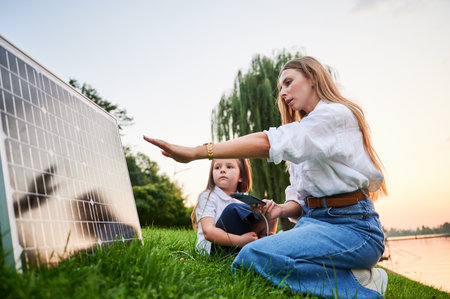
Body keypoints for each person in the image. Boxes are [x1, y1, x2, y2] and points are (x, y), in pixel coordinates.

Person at [144, 56, 388, 298]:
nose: (282, 92)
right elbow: (302, 200)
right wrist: (280, 210)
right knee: (253, 260)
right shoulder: (306, 134)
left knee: (251, 258)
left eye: (288, 82)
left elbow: (269, 142)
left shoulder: (335, 115)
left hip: (353, 227)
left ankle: (364, 291)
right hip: (314, 222)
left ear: (312, 77)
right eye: (281, 87)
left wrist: (198, 152)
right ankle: (359, 278)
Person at [192, 158, 277, 255]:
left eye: (229, 166)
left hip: (235, 247)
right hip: (212, 249)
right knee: (233, 209)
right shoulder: (207, 196)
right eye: (217, 167)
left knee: (268, 212)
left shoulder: (242, 200)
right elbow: (208, 232)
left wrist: (261, 213)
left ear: (241, 177)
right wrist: (240, 240)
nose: (222, 170)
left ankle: (264, 250)